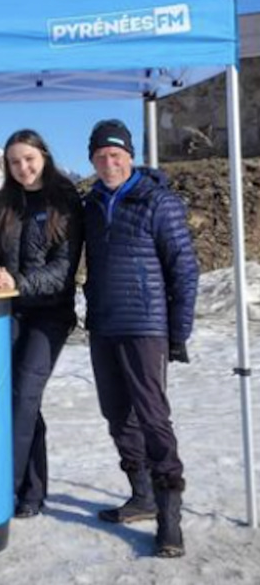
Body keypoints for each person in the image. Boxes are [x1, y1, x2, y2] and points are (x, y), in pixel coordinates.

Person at [83, 119, 198, 558]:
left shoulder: (158, 201)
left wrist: (177, 332)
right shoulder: (91, 203)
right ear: (91, 158)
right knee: (117, 415)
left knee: (153, 419)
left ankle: (170, 517)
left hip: (146, 325)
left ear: (130, 156)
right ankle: (142, 494)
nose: (109, 162)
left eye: (116, 154)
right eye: (100, 155)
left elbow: (184, 269)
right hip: (104, 324)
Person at [0, 129, 83, 518]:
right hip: (7, 311)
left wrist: (17, 282)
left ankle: (5, 488)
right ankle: (33, 491)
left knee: (23, 395)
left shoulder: (65, 201)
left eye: (29, 159)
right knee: (11, 397)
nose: (23, 167)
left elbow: (62, 271)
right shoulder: (2, 202)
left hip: (49, 314)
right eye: (15, 161)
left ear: (44, 156)